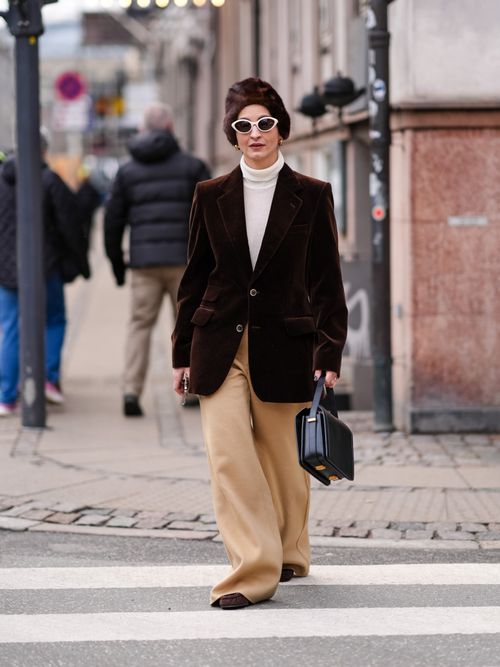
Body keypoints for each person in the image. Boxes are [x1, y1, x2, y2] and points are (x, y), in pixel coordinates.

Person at [172, 78, 348, 609]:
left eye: (264, 123)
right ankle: (253, 570)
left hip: (286, 342)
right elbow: (194, 276)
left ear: (281, 129)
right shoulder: (209, 195)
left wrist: (329, 352)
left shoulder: (312, 195)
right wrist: (181, 353)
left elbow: (326, 279)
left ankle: (291, 551)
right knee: (229, 457)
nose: (254, 133)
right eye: (243, 125)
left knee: (285, 463)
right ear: (232, 134)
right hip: (218, 343)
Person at [105, 103, 211, 417]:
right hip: (186, 263)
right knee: (189, 325)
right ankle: (191, 390)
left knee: (140, 325)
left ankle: (130, 391)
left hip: (144, 264)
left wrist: (117, 266)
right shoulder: (193, 166)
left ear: (143, 130)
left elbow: (113, 222)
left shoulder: (127, 171)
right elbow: (210, 217)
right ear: (169, 128)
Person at [0, 133, 90, 416]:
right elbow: (70, 226)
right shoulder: (50, 180)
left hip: (5, 269)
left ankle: (6, 395)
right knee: (53, 320)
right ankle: (48, 380)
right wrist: (80, 263)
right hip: (44, 266)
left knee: (11, 327)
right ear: (43, 152)